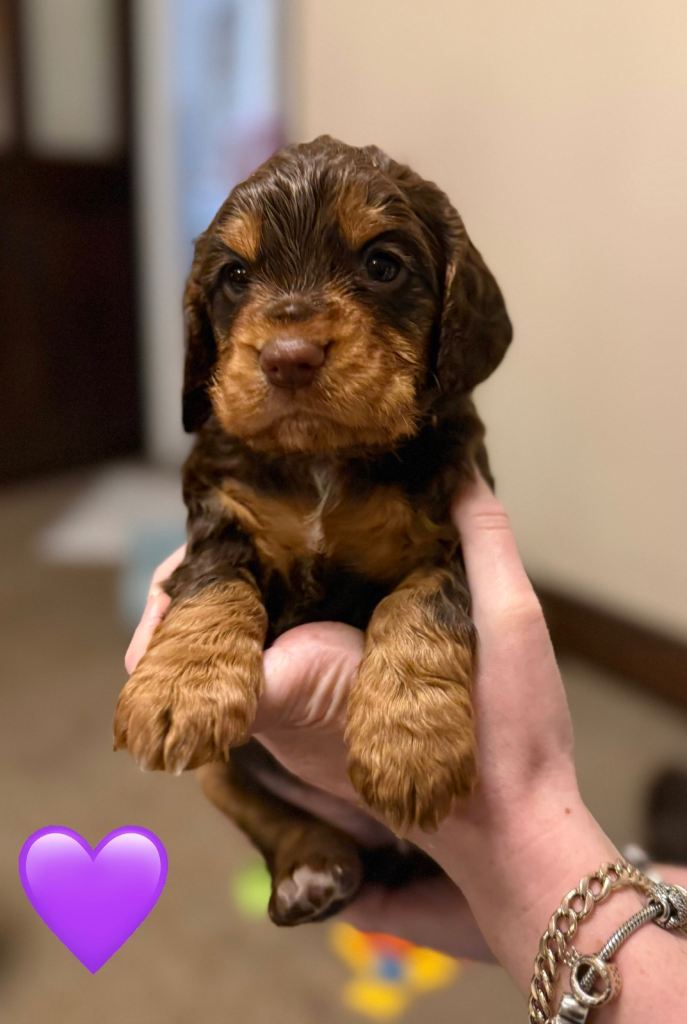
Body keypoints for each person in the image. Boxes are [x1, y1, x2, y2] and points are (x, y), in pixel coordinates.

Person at [126, 473, 687, 1021]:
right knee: (218, 771)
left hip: (432, 796)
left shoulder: (427, 473)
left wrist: (516, 837)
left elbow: (440, 569)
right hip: (298, 797)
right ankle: (300, 843)